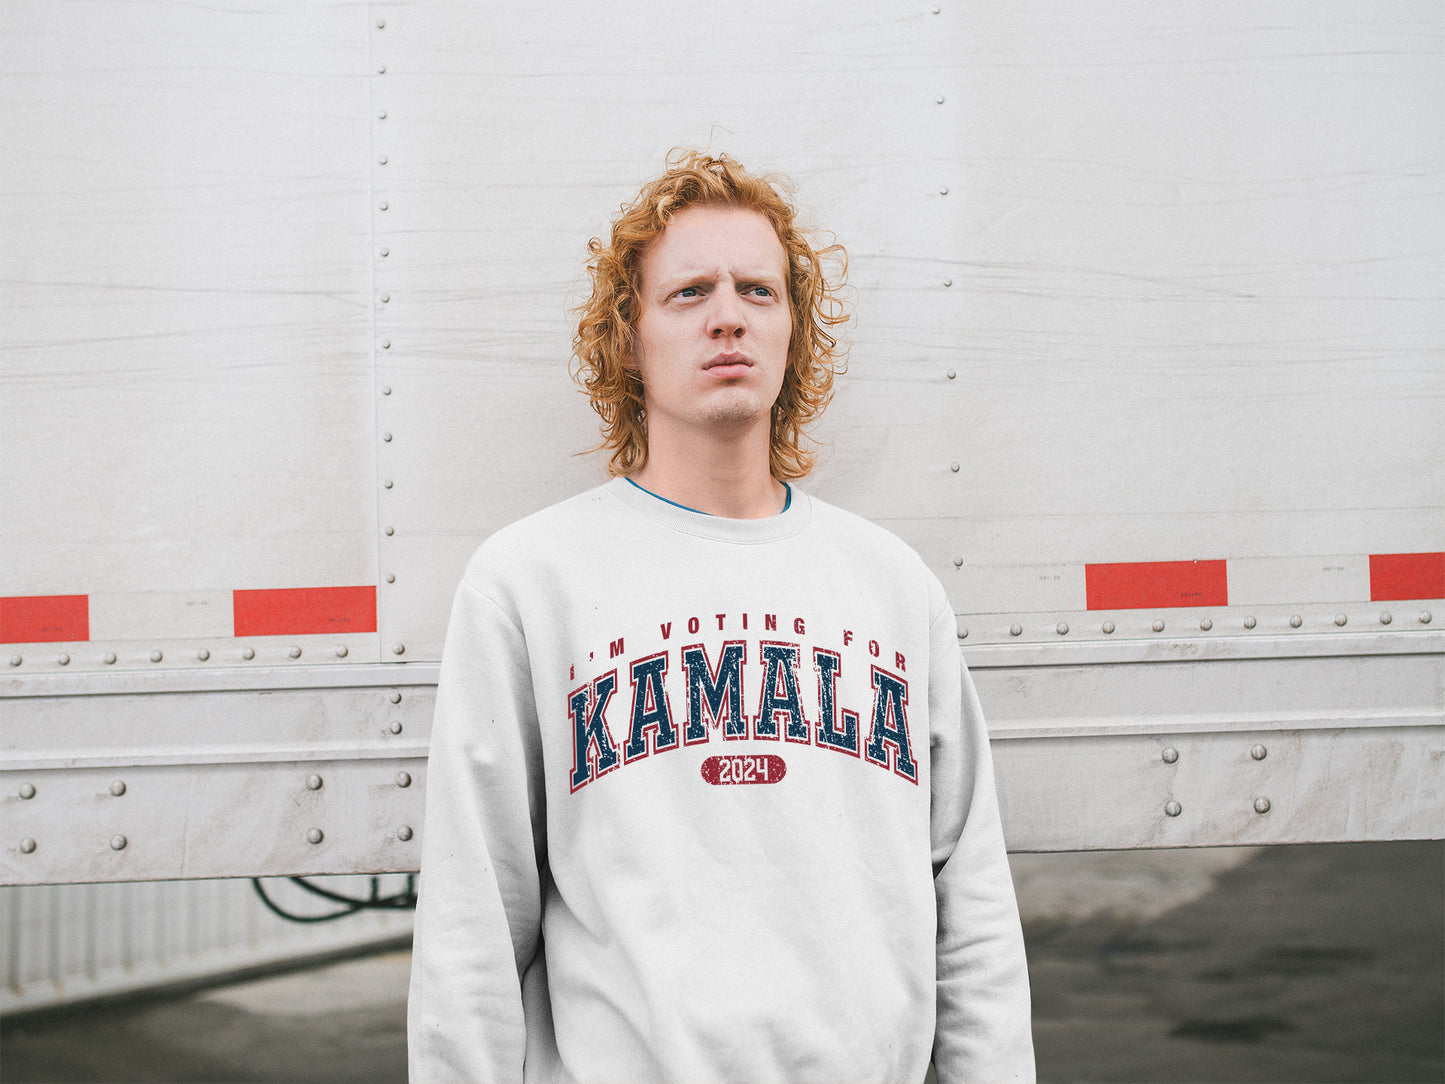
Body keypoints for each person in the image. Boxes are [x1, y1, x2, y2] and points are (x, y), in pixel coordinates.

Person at [407, 150, 1035, 1083]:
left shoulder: (892, 587)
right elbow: (472, 928)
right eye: (688, 292)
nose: (728, 316)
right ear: (627, 338)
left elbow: (970, 906)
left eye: (758, 290)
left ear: (793, 330)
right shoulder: (529, 583)